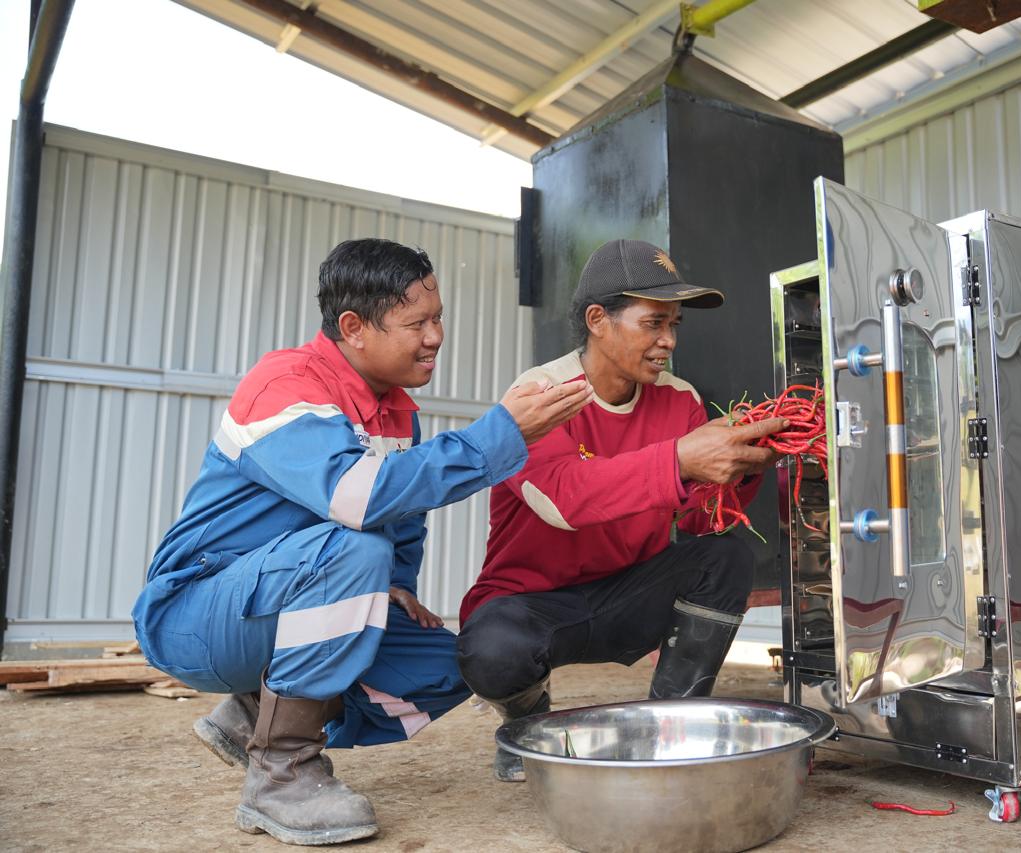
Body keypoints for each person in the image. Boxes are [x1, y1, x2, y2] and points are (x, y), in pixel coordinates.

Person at [131, 238, 592, 846]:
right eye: (417, 323)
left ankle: (249, 717)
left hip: (278, 599)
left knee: (455, 664)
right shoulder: (285, 384)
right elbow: (361, 500)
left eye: (439, 317)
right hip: (195, 614)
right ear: (353, 327)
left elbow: (405, 518)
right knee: (355, 550)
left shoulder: (399, 410)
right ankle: (282, 772)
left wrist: (396, 583)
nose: (435, 336)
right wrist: (497, 435)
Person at [456, 238, 785, 782]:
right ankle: (525, 716)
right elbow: (563, 499)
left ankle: (670, 727)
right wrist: (680, 458)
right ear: (597, 320)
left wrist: (743, 469)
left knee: (726, 558)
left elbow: (700, 520)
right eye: (653, 323)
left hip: (626, 595)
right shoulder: (538, 393)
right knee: (492, 652)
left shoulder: (680, 400)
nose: (668, 342)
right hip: (534, 606)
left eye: (675, 325)